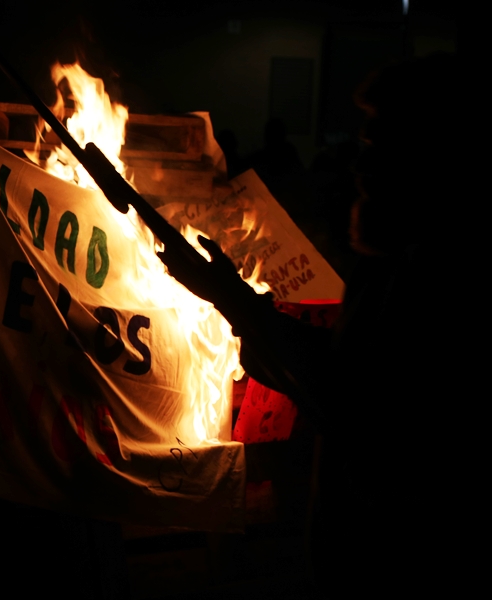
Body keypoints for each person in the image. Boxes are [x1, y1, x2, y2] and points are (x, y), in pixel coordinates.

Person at [159, 52, 459, 596]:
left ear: (428, 158)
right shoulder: (382, 257)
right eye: (364, 145)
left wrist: (233, 299)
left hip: (396, 551)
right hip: (345, 543)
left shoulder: (433, 271)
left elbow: (354, 388)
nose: (361, 167)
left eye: (380, 147)